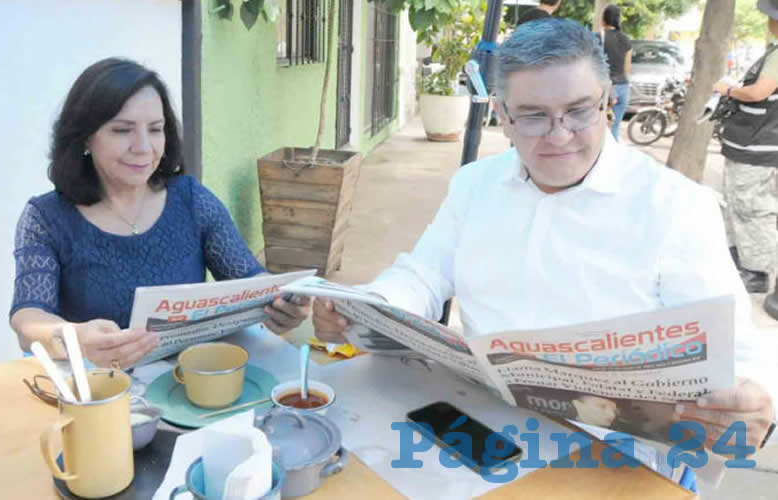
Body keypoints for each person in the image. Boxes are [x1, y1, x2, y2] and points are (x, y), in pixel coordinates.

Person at [314, 19, 775, 452]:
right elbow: (424, 275)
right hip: (487, 424)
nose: (559, 136)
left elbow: (736, 351)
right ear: (502, 115)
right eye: (533, 116)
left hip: (618, 457)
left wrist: (753, 404)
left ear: (607, 102)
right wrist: (368, 306)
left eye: (578, 112)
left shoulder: (675, 206)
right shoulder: (475, 184)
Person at [10, 58, 310, 368]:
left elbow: (249, 278)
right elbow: (28, 320)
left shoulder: (192, 200)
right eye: (122, 130)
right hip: (99, 393)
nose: (143, 147)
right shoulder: (45, 219)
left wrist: (283, 303)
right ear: (86, 137)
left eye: (155, 129)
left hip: (191, 385)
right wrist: (76, 337)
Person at [713, 0, 778, 304]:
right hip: (750, 142)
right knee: (739, 203)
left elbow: (758, 92)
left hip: (757, 144)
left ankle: (758, 271)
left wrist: (728, 89)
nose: (768, 22)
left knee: (752, 208)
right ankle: (744, 258)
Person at [600, 4, 631, 140]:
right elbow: (627, 68)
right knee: (615, 127)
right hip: (623, 86)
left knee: (599, 128)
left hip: (604, 88)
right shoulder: (626, 39)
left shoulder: (597, 37)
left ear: (603, 19)